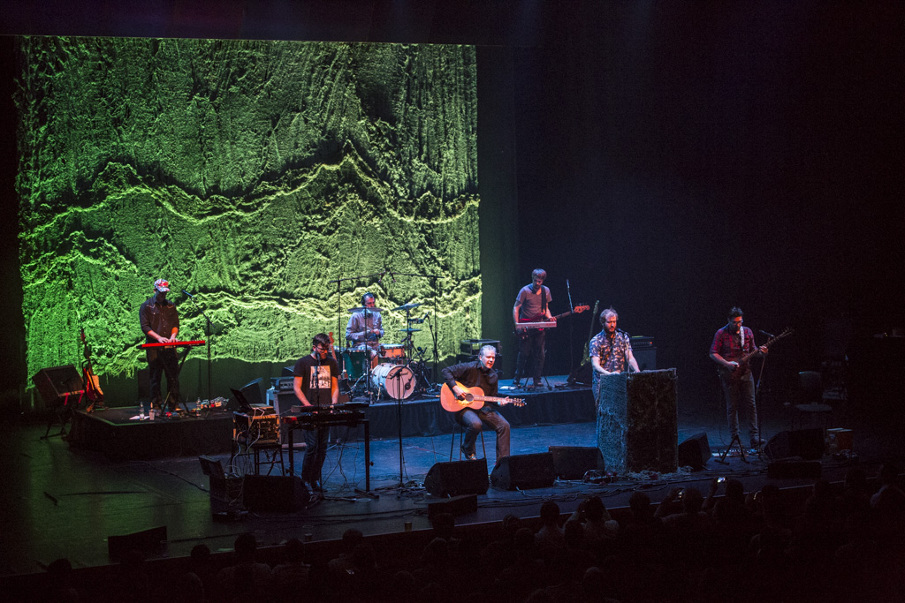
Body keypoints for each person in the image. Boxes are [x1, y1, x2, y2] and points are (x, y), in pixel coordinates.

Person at [440, 344, 511, 463]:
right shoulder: (469, 367)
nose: (491, 360)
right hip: (463, 408)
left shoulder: (493, 376)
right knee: (476, 424)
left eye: (493, 358)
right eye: (488, 357)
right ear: (480, 357)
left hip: (483, 408)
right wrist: (456, 389)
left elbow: (492, 399)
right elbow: (445, 371)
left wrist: (499, 402)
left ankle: (503, 464)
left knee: (504, 426)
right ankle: (467, 448)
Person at [709, 307, 768, 449]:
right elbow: (713, 353)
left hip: (746, 373)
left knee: (751, 404)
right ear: (728, 320)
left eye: (740, 322)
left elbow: (753, 351)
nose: (738, 325)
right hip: (729, 374)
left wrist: (762, 353)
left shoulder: (747, 332)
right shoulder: (721, 333)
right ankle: (735, 437)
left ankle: (754, 437)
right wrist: (727, 364)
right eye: (735, 322)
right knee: (732, 407)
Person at [293, 333, 339, 493]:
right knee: (312, 446)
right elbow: (297, 387)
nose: (324, 352)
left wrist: (333, 404)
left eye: (327, 349)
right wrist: (307, 405)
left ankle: (314, 480)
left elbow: (335, 386)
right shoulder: (303, 363)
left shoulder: (332, 363)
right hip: (309, 411)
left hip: (325, 410)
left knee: (322, 448)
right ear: (314, 347)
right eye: (322, 349)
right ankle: (305, 479)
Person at [139, 278, 181, 412]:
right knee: (155, 376)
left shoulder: (171, 306)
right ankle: (156, 405)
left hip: (169, 346)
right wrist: (158, 338)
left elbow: (175, 325)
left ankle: (173, 405)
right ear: (154, 290)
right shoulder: (146, 306)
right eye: (161, 293)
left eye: (165, 293)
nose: (163, 295)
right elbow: (145, 327)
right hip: (154, 347)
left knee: (173, 376)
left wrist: (173, 337)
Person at [513, 269, 553, 389]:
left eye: (539, 281)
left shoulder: (546, 291)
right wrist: (517, 324)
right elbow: (516, 308)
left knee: (540, 354)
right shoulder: (524, 291)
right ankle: (517, 378)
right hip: (526, 326)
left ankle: (537, 379)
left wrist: (550, 317)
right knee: (524, 353)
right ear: (532, 278)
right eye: (535, 280)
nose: (537, 283)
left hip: (539, 327)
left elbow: (545, 308)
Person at [589, 307, 641, 379]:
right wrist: (609, 374)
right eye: (609, 322)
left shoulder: (623, 337)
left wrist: (637, 371)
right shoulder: (596, 341)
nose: (612, 325)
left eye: (614, 321)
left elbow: (630, 358)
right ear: (602, 322)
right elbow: (595, 365)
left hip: (619, 381)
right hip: (602, 382)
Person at [345, 292, 384, 368]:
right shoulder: (356, 316)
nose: (372, 306)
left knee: (390, 354)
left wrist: (379, 332)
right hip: (361, 345)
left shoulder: (377, 314)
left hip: (375, 345)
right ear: (363, 304)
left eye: (373, 303)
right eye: (369, 303)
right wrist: (364, 334)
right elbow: (348, 335)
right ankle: (372, 377)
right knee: (373, 354)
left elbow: (382, 331)